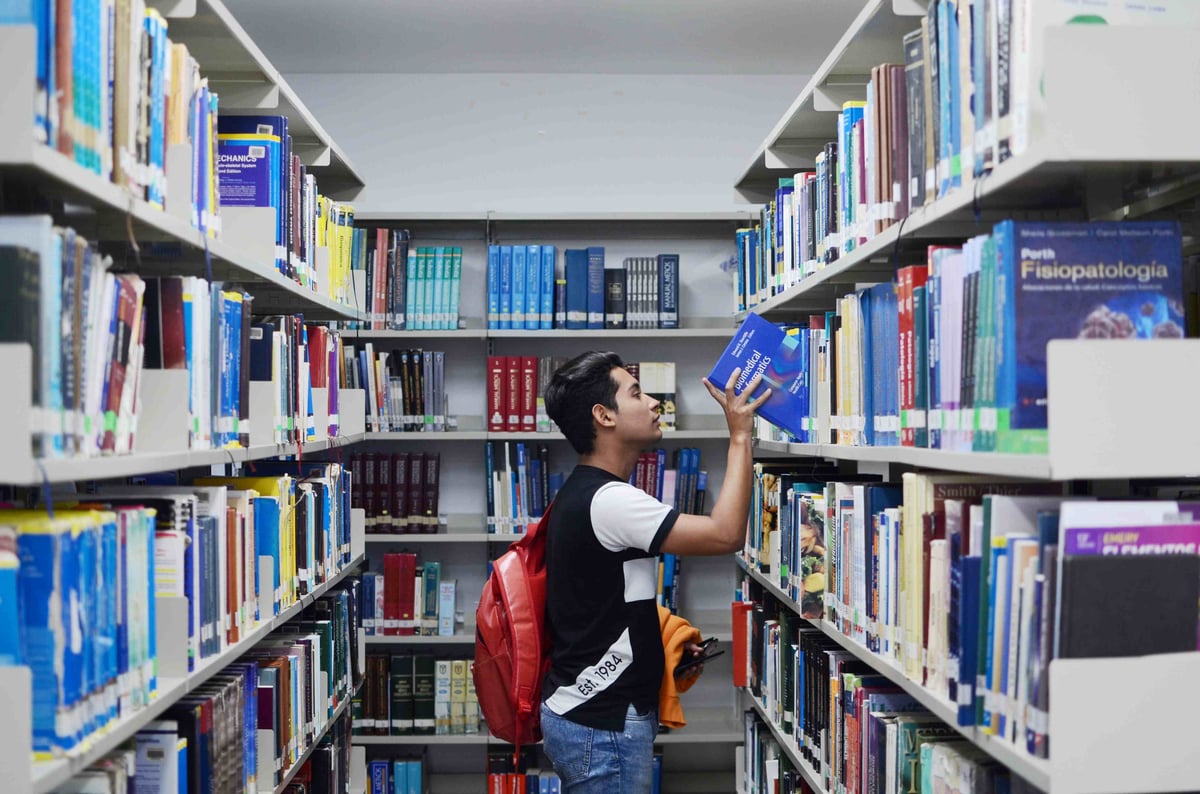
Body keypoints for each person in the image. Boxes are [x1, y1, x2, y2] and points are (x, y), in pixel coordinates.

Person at [540, 350, 769, 793]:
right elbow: (725, 535)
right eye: (636, 393)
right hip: (601, 721)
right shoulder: (611, 500)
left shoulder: (591, 492)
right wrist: (740, 437)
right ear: (603, 415)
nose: (653, 403)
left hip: (593, 714)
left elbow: (608, 598)